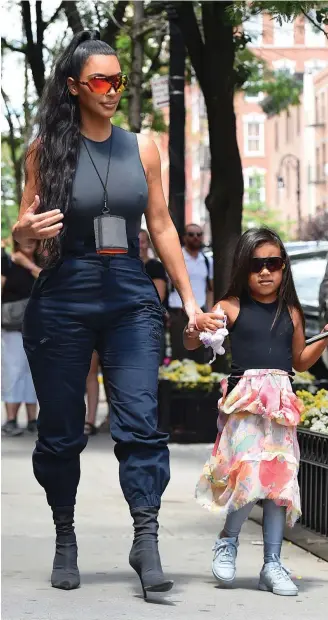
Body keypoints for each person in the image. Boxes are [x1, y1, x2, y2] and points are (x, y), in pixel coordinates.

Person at [13, 30, 199, 596]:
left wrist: (189, 301)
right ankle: (65, 535)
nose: (112, 89)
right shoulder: (45, 151)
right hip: (66, 291)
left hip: (128, 293)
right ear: (74, 87)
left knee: (141, 420)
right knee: (62, 429)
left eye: (119, 79)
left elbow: (162, 225)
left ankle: (147, 538)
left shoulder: (143, 147)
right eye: (101, 80)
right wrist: (22, 233)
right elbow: (22, 230)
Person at [184, 227, 328, 596]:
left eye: (273, 263)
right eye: (256, 264)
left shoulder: (291, 311)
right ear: (243, 268)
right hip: (245, 404)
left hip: (280, 405)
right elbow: (195, 340)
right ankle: (228, 540)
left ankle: (272, 564)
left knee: (279, 485)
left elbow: (300, 361)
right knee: (250, 476)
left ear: (284, 268)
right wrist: (196, 326)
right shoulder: (228, 307)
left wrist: (325, 339)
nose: (265, 272)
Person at [1, 239, 40, 436]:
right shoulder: (6, 263)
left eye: (33, 239)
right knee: (13, 371)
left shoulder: (42, 262)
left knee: (34, 373)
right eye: (25, 238)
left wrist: (28, 264)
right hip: (12, 327)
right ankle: (11, 419)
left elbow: (45, 281)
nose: (29, 243)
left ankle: (33, 419)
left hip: (39, 326)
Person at [168, 223, 213, 363]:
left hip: (200, 314)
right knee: (179, 357)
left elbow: (209, 289)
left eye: (199, 234)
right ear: (184, 237)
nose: (195, 237)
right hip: (178, 313)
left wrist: (209, 311)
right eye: (191, 234)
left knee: (201, 357)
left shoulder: (207, 260)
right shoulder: (175, 258)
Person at [139, 229, 168, 363]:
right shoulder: (123, 267)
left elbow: (158, 296)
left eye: (143, 241)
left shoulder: (155, 267)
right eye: (136, 241)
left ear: (148, 244)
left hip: (149, 323)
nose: (140, 245)